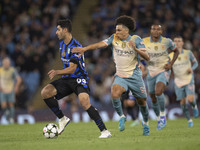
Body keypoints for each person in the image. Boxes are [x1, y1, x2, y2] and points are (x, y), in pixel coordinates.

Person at [72, 15, 150, 136]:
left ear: (126, 30)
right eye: (116, 29)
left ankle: (145, 124)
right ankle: (122, 116)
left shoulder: (136, 39)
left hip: (135, 76)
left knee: (142, 103)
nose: (116, 32)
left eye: (119, 30)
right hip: (120, 75)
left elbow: (147, 57)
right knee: (114, 93)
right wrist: (85, 49)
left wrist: (136, 49)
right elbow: (100, 44)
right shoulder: (114, 38)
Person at [41, 19, 111, 138]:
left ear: (65, 30)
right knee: (45, 92)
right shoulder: (62, 44)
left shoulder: (76, 46)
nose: (56, 32)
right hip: (67, 79)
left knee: (84, 102)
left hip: (79, 78)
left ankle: (104, 131)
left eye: (58, 29)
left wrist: (57, 71)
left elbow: (72, 68)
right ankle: (62, 119)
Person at [143, 24, 179, 130]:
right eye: (153, 29)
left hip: (163, 70)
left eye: (158, 29)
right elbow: (139, 55)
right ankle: (159, 118)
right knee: (153, 97)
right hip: (150, 72)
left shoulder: (167, 41)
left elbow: (176, 51)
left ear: (161, 31)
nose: (155, 31)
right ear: (150, 30)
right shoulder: (144, 41)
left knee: (158, 91)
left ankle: (163, 115)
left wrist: (171, 64)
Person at [169, 36, 199, 127]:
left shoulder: (188, 53)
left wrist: (192, 68)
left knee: (190, 99)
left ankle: (194, 106)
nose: (177, 43)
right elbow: (168, 67)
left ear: (182, 43)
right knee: (182, 103)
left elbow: (196, 63)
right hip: (178, 81)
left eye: (179, 41)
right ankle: (189, 120)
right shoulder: (170, 56)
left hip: (188, 79)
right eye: (175, 41)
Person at [0, 57, 22, 124]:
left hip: (10, 90)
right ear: (3, 63)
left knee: (11, 104)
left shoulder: (12, 70)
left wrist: (16, 87)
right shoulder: (0, 70)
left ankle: (11, 119)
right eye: (5, 62)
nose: (6, 64)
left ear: (9, 63)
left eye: (7, 63)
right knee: (3, 105)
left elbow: (19, 79)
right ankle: (7, 114)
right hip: (2, 90)